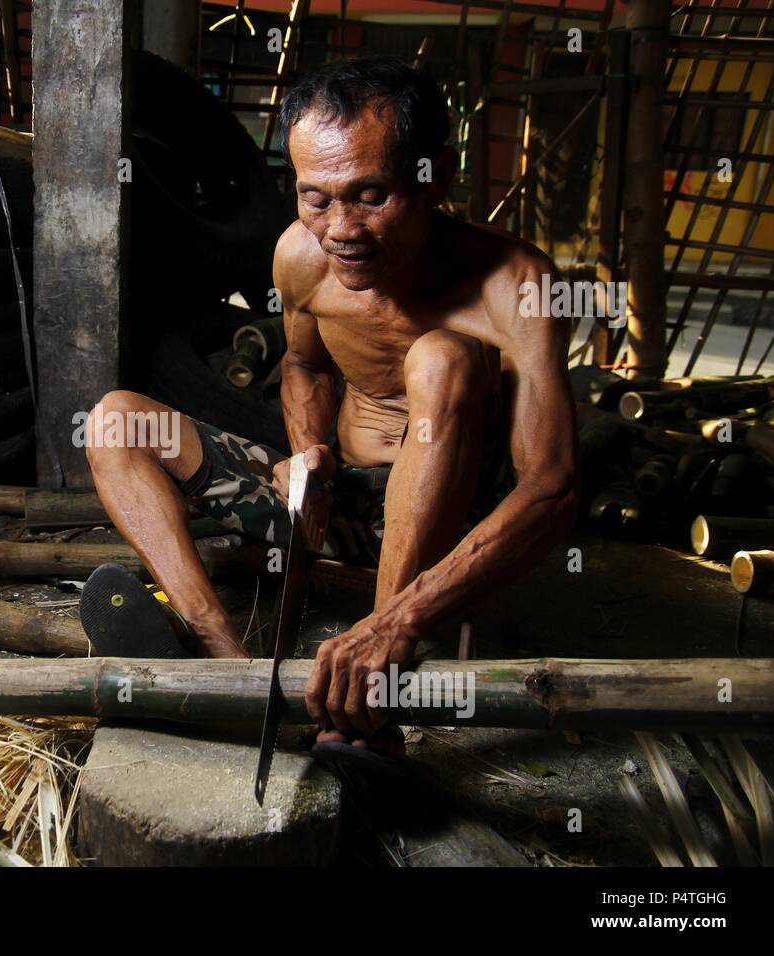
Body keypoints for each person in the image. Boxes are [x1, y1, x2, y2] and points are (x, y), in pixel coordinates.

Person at [82, 55, 578, 754]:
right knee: (115, 418)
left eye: (369, 194)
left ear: (436, 175)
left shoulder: (517, 284)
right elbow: (304, 368)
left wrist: (398, 623)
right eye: (316, 198)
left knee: (444, 356)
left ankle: (370, 685)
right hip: (336, 506)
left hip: (451, 527)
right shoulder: (302, 257)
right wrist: (307, 453)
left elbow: (552, 488)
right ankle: (225, 662)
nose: (340, 227)